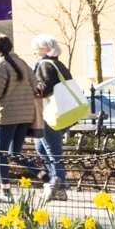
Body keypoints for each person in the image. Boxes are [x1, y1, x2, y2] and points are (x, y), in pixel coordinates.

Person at [0, 35, 45, 193]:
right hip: (25, 115)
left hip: (6, 116)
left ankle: (5, 191)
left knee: (1, 154)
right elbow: (34, 85)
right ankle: (42, 174)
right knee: (15, 154)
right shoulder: (22, 63)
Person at [31, 35, 71, 200]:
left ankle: (59, 187)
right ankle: (54, 184)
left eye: (37, 48)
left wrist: (29, 88)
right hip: (62, 113)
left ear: (45, 49)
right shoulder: (57, 64)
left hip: (50, 114)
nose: (34, 51)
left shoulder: (44, 64)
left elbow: (44, 88)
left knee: (52, 151)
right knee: (41, 148)